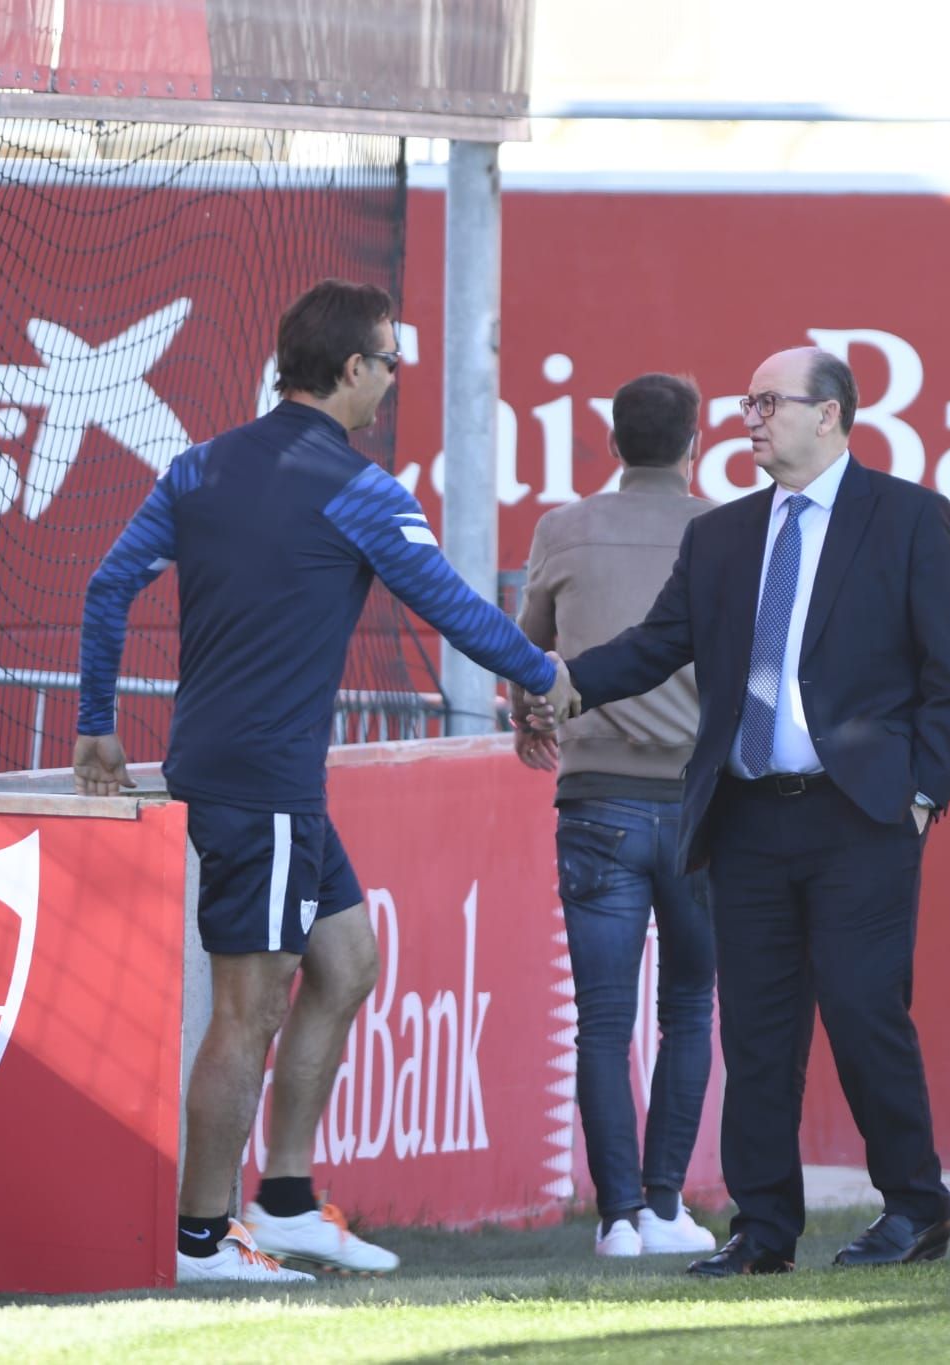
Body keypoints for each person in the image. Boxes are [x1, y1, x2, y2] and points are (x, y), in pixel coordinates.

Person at [73, 278, 579, 1284]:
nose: (393, 382)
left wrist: (97, 720)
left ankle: (290, 1202)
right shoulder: (359, 487)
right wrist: (548, 675)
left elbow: (105, 586)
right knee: (248, 1009)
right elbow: (455, 610)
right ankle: (200, 1244)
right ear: (353, 371)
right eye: (390, 364)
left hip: (251, 772)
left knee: (346, 965)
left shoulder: (200, 467)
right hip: (258, 782)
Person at [563, 346, 950, 1276]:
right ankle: (763, 1229)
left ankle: (915, 1207)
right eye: (743, 402)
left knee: (867, 1011)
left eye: (767, 402)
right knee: (756, 1030)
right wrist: (563, 684)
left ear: (829, 414)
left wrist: (921, 797)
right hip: (746, 817)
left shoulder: (908, 519)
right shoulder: (721, 535)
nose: (748, 417)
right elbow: (654, 645)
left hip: (861, 817)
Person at [510, 373, 719, 1258]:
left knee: (602, 1017)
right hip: (704, 807)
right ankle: (666, 1205)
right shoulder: (726, 531)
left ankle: (618, 1218)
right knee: (691, 1009)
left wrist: (532, 714)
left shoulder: (564, 528)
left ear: (614, 440)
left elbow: (529, 649)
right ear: (694, 442)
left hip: (595, 799)